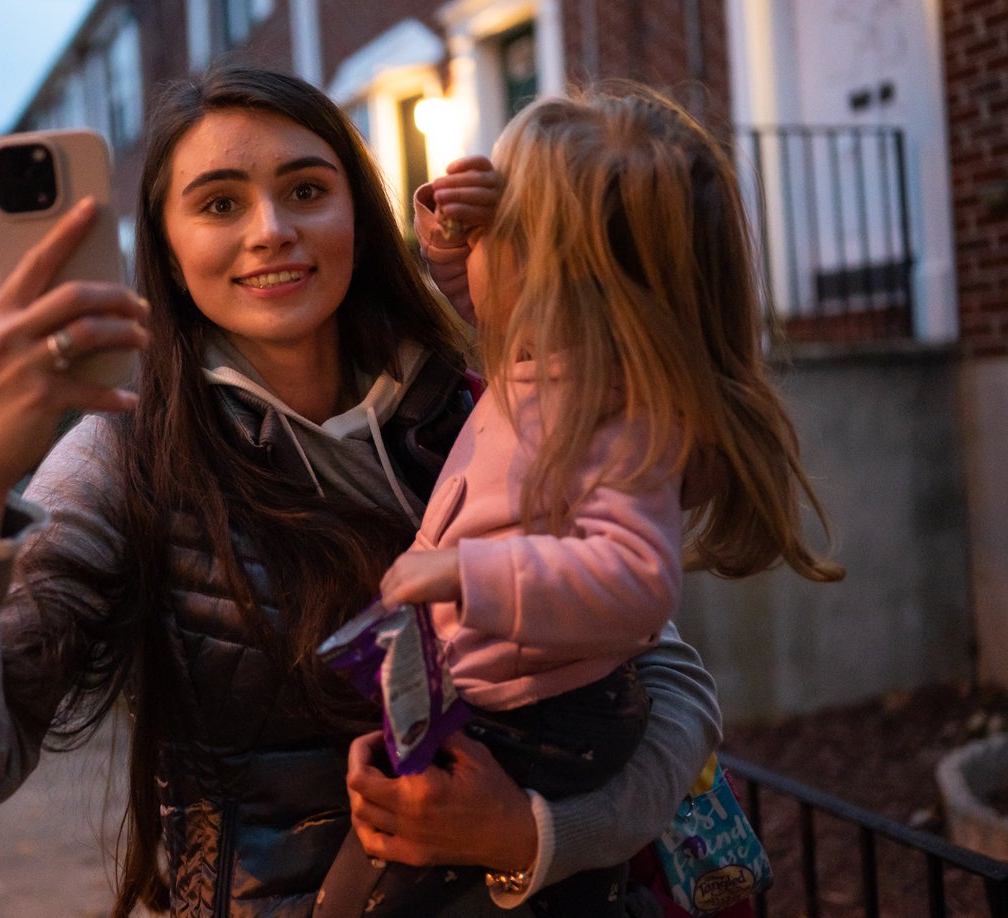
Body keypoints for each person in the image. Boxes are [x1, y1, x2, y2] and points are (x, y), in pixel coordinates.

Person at [0, 66, 723, 916]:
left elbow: (665, 672)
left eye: (307, 189)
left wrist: (534, 837)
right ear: (165, 248)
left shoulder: (484, 406)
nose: (271, 230)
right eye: (219, 204)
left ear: (356, 209)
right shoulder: (123, 461)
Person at [329, 87, 846, 914]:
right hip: (508, 698)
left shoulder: (618, 419)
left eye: (507, 231)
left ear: (562, 282)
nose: (476, 251)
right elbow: (484, 296)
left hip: (548, 725)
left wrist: (470, 572)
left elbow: (639, 577)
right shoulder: (543, 364)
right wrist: (448, 228)